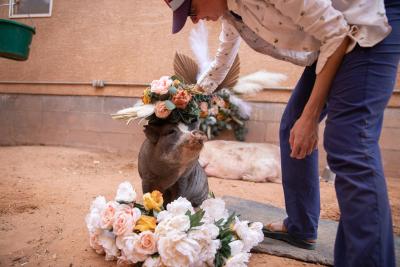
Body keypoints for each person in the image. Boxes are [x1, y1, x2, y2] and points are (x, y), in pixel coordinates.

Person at [162, 0, 399, 266]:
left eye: (191, 11)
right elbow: (222, 58)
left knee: (349, 143)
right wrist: (191, 94)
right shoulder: (231, 13)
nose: (194, 21)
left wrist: (310, 117)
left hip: (367, 25)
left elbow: (337, 32)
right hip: (332, 41)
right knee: (292, 126)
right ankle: (301, 227)